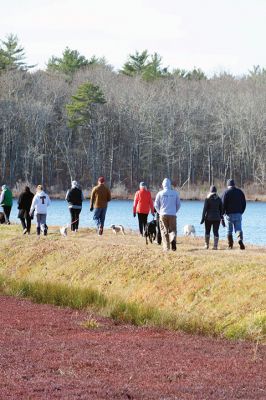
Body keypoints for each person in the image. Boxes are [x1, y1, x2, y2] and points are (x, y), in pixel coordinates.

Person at [154, 178, 181, 252]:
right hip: (172, 214)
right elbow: (179, 204)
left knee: (164, 231)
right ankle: (173, 239)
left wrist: (159, 212)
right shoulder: (175, 193)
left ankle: (166, 248)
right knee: (173, 230)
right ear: (170, 185)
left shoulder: (160, 193)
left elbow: (156, 205)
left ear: (163, 185)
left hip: (163, 214)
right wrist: (175, 211)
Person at [221, 179, 246, 250]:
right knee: (238, 229)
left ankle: (230, 245)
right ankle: (239, 240)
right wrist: (241, 212)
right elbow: (244, 203)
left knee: (229, 230)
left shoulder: (226, 193)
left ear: (228, 185)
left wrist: (222, 214)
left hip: (229, 214)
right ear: (234, 184)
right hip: (238, 213)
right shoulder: (240, 192)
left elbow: (222, 205)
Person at [200, 185, 224, 250]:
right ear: (216, 191)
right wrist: (222, 219)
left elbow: (204, 209)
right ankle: (215, 246)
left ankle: (206, 245)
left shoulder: (207, 199)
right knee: (216, 231)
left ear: (210, 191)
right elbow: (221, 210)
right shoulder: (219, 199)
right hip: (217, 218)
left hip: (208, 218)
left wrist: (202, 218)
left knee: (207, 231)